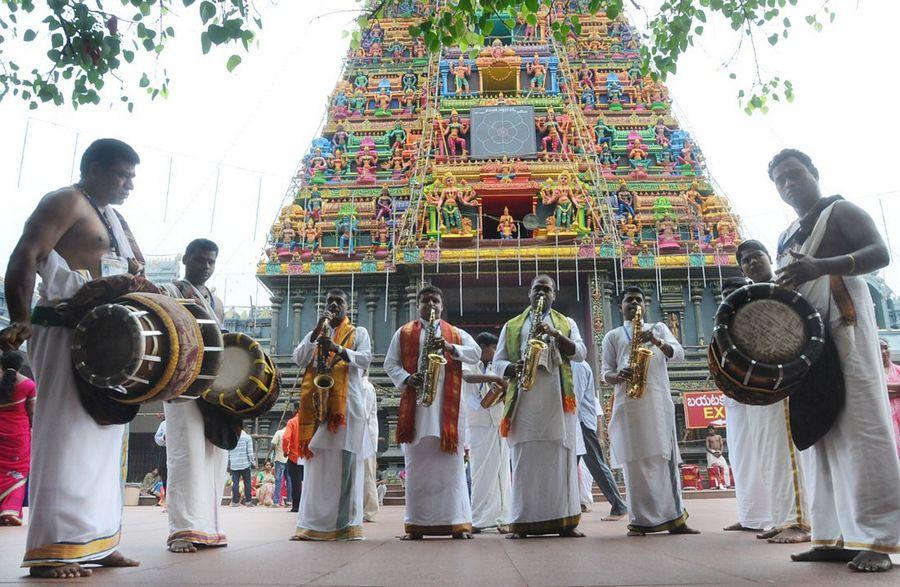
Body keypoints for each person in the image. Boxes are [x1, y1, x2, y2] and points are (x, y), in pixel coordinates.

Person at [0, 138, 143, 578]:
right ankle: (51, 548)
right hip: (62, 327)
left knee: (102, 439)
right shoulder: (65, 201)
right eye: (122, 174)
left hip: (103, 332)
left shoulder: (114, 218)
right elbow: (26, 254)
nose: (129, 184)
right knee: (63, 435)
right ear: (93, 169)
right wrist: (20, 318)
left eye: (133, 177)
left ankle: (97, 541)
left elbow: (132, 264)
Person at [770, 149, 900, 572]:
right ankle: (834, 536)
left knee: (859, 426)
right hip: (804, 336)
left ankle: (880, 539)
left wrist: (820, 266)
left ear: (814, 174)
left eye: (795, 175)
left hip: (843, 324)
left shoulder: (841, 211)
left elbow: (880, 253)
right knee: (817, 430)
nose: (789, 185)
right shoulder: (787, 233)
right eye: (780, 181)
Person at [601, 285, 700, 537]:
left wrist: (655, 341)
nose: (634, 304)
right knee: (635, 463)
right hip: (628, 403)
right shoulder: (612, 335)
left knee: (663, 459)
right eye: (628, 300)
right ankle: (639, 521)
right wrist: (618, 375)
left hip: (657, 403)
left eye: (638, 300)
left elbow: (678, 355)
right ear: (620, 306)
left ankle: (676, 519)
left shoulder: (658, 328)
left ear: (645, 305)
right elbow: (605, 373)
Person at [494, 275, 587, 539]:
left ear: (555, 295)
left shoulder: (566, 323)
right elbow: (498, 362)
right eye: (537, 289)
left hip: (558, 401)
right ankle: (523, 522)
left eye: (547, 289)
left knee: (560, 461)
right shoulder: (512, 326)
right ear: (529, 294)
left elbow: (580, 353)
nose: (542, 293)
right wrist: (513, 367)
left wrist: (556, 335)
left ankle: (564, 521)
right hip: (525, 402)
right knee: (525, 462)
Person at [384, 285, 480, 539]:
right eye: (425, 301)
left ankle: (457, 523)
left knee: (452, 466)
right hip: (417, 411)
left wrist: (449, 347)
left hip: (447, 413)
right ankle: (417, 524)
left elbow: (476, 353)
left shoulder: (456, 333)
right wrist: (406, 378)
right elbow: (390, 363)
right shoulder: (404, 333)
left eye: (435, 300)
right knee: (417, 467)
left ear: (441, 305)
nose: (430, 305)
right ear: (418, 306)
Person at [158, 238, 230, 553]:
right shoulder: (172, 292)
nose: (206, 266)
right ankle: (183, 530)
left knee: (214, 455)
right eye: (200, 260)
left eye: (211, 261)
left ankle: (207, 527)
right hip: (182, 382)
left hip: (213, 384)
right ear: (186, 258)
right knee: (185, 454)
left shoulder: (217, 301)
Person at [290, 289, 372, 541]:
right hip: (317, 408)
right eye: (330, 302)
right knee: (316, 466)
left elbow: (366, 359)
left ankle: (345, 525)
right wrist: (316, 332)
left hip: (346, 409)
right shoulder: (315, 333)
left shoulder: (359, 333)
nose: (335, 305)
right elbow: (299, 359)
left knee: (344, 467)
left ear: (348, 307)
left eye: (340, 302)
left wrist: (338, 349)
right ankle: (311, 525)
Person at [716, 276, 773, 533]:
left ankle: (772, 516)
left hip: (761, 394)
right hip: (735, 396)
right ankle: (749, 515)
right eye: (726, 292)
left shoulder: (761, 313)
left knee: (764, 453)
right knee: (740, 455)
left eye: (735, 290)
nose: (730, 295)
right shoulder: (722, 321)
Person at [461, 332, 511, 534]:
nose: (496, 353)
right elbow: (466, 377)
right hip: (476, 423)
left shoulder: (497, 364)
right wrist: (493, 378)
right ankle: (479, 516)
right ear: (483, 348)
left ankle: (502, 516)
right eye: (493, 348)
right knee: (479, 472)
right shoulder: (469, 362)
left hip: (496, 422)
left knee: (500, 473)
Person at [572, 360, 627, 520]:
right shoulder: (573, 364)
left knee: (597, 464)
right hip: (576, 422)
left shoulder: (578, 365)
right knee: (568, 467)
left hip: (581, 423)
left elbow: (575, 397)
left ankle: (618, 505)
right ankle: (564, 509)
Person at [0, 351, 35, 526]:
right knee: (18, 473)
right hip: (18, 435)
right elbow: (33, 414)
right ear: (20, 365)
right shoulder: (28, 384)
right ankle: (10, 509)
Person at [362, 372, 380, 522]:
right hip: (360, 437)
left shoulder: (366, 387)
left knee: (367, 475)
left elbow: (363, 414)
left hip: (366, 437)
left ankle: (370, 511)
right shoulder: (360, 386)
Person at [282, 401, 305, 513]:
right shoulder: (310, 421)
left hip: (294, 457)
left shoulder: (292, 422)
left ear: (296, 409)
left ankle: (296, 506)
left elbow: (286, 437)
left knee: (296, 483)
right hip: (308, 456)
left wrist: (286, 450)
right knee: (309, 482)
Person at [881, 339, 900, 458]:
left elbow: (877, 390)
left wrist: (882, 387)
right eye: (879, 349)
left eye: (885, 347)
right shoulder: (873, 374)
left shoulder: (898, 370)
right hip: (887, 419)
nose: (883, 351)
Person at [228, 429, 255, 507]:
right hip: (245, 464)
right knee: (247, 483)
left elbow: (228, 452)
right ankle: (248, 502)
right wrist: (253, 462)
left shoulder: (231, 438)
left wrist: (228, 465)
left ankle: (235, 502)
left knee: (235, 483)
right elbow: (250, 452)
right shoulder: (247, 438)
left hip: (234, 464)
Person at [271, 425, 291, 507]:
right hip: (290, 460)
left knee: (278, 480)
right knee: (289, 481)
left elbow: (273, 445)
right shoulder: (291, 432)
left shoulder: (279, 432)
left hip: (280, 459)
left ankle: (276, 501)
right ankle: (289, 501)